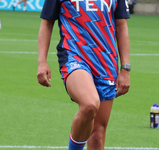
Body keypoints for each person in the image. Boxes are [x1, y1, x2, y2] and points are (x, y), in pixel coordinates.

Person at [37, 0, 131, 149]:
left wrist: (125, 68)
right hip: (74, 56)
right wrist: (42, 61)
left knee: (97, 134)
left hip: (106, 62)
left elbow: (121, 26)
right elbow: (47, 23)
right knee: (89, 104)